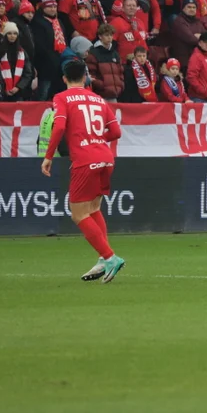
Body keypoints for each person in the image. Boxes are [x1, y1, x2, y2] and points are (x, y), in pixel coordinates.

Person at [40, 59, 126, 283]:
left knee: (77, 213)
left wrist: (48, 157)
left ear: (64, 78)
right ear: (86, 77)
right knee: (94, 207)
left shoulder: (62, 97)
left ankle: (110, 257)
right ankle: (102, 258)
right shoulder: (98, 99)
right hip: (106, 157)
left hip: (85, 159)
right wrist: (97, 140)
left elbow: (59, 126)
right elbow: (116, 131)